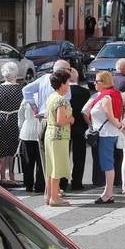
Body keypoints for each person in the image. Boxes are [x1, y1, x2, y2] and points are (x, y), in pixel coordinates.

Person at [85, 70, 124, 204]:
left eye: (97, 81)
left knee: (107, 164)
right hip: (107, 132)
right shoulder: (110, 95)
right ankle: (108, 192)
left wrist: (119, 126)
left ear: (104, 82)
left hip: (106, 133)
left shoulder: (106, 97)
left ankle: (108, 193)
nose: (94, 83)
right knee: (107, 163)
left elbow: (110, 115)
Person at [42, 69, 74, 207]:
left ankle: (49, 195)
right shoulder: (61, 100)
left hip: (50, 134)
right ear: (62, 84)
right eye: (67, 83)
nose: (69, 85)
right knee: (57, 167)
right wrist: (71, 119)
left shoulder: (51, 96)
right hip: (59, 136)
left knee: (51, 166)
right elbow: (61, 120)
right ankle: (54, 197)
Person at [0, 63, 25, 185]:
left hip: (1, 119)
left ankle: (2, 177)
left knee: (0, 149)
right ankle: (11, 176)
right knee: (13, 149)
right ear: (16, 74)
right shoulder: (21, 89)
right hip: (15, 119)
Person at [68, 68, 92, 191]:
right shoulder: (85, 92)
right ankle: (77, 182)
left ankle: (62, 181)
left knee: (64, 156)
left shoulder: (64, 91)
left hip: (66, 126)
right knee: (79, 156)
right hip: (80, 126)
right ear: (77, 77)